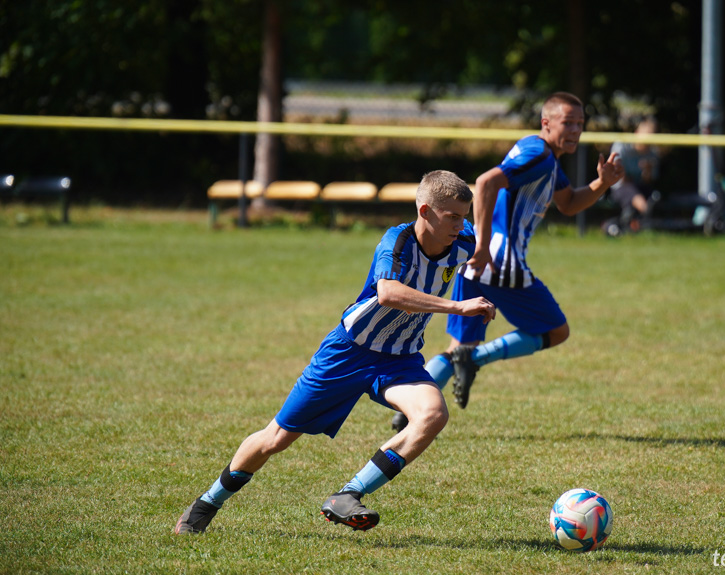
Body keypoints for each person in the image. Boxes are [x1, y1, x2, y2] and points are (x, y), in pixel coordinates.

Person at [175, 170, 495, 534]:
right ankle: (207, 503)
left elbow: (482, 245)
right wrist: (459, 307)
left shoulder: (465, 240)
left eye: (464, 215)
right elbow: (389, 293)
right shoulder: (397, 242)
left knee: (433, 414)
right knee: (276, 438)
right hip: (348, 353)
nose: (460, 224)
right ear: (425, 211)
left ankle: (348, 495)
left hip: (400, 359)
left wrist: (485, 269)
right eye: (452, 216)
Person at [390, 92, 623, 432]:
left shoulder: (545, 158)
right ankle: (474, 360)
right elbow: (486, 182)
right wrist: (484, 245)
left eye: (579, 124)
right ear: (546, 123)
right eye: (567, 123)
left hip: (478, 255)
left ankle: (414, 404)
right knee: (556, 331)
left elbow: (569, 203)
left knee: (460, 343)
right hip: (498, 258)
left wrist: (602, 182)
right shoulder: (538, 156)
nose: (574, 130)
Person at [603, 117, 661, 235]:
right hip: (621, 187)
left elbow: (648, 181)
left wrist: (647, 170)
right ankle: (645, 217)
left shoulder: (652, 153)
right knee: (635, 196)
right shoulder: (622, 146)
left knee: (653, 197)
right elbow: (620, 178)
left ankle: (640, 223)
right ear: (637, 133)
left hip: (639, 186)